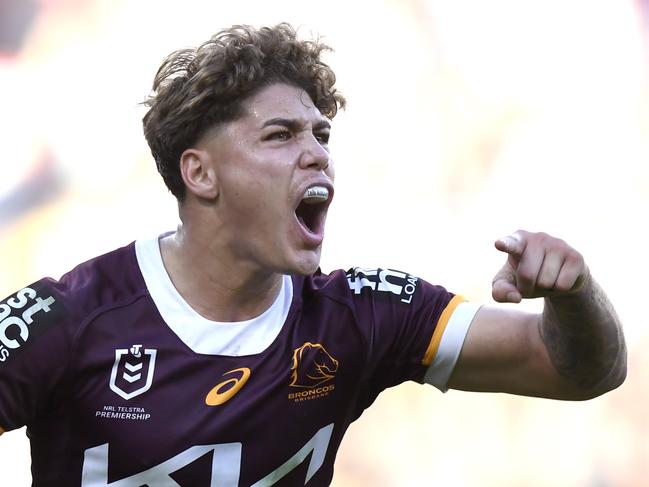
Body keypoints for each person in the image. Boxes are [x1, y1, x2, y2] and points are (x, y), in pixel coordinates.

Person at [0, 23, 626, 486]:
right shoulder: (71, 318)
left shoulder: (361, 315)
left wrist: (575, 298)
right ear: (200, 173)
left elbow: (580, 371)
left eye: (322, 135)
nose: (318, 153)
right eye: (281, 135)